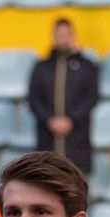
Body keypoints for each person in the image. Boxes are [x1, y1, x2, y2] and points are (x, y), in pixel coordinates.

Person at [27, 18, 100, 177]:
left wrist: (71, 119)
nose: (62, 38)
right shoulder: (41, 67)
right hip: (47, 138)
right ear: (53, 37)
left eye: (66, 34)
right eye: (58, 34)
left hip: (77, 138)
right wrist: (49, 119)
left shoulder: (86, 66)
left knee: (77, 187)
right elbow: (33, 99)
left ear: (72, 36)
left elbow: (92, 97)